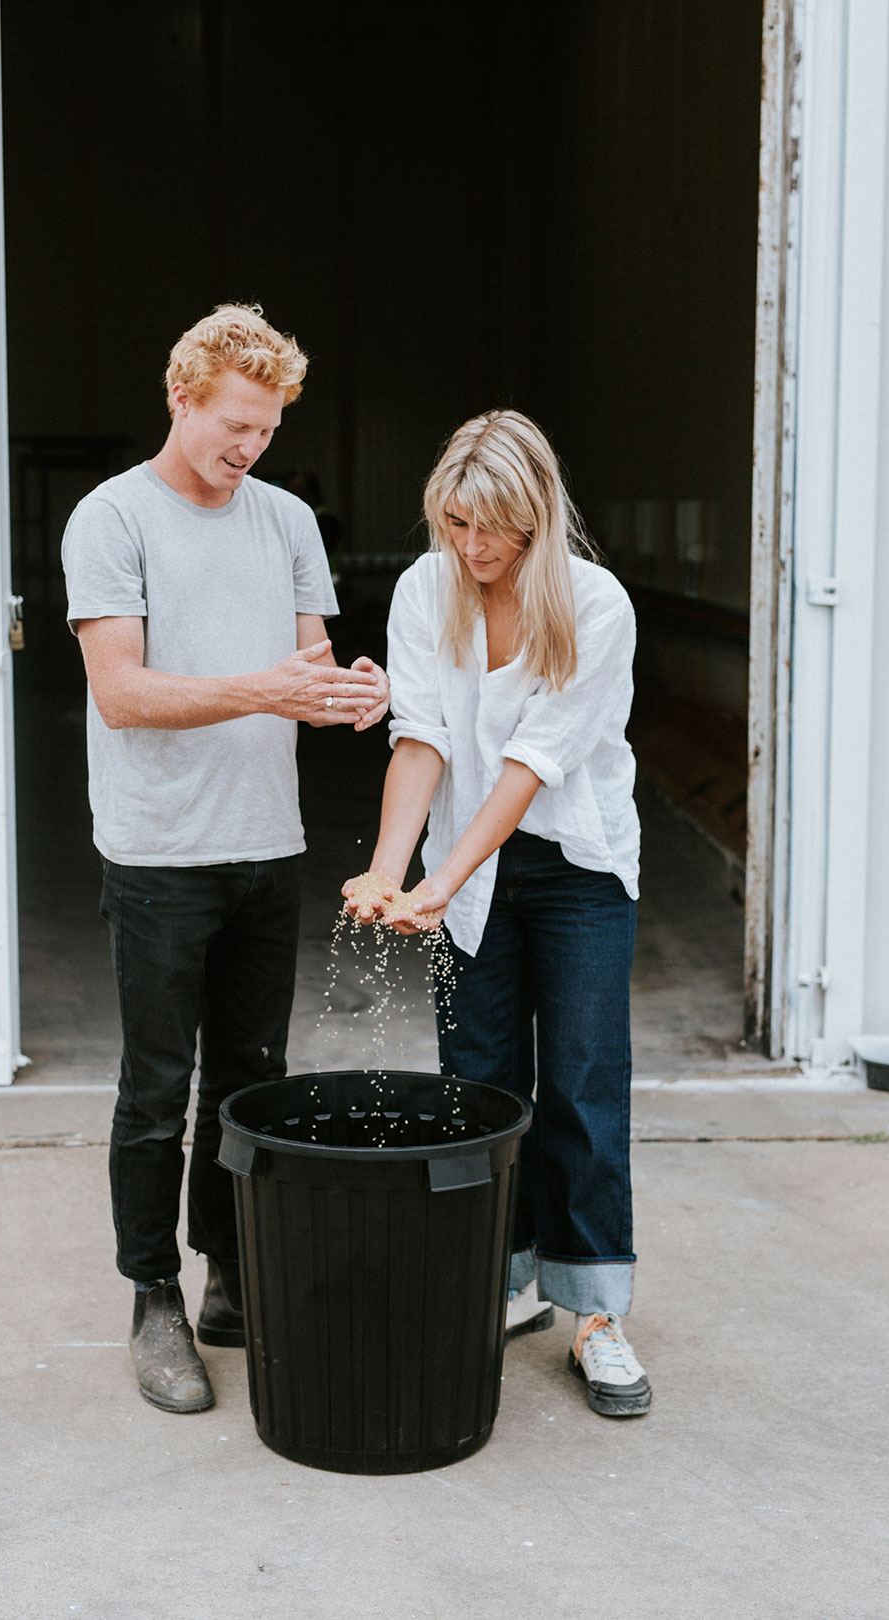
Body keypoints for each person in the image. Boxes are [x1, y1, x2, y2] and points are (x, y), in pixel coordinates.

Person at [62, 304, 389, 1415]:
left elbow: (315, 663)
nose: (247, 448)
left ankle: (231, 1278)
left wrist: (356, 692)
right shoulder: (112, 520)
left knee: (251, 1082)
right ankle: (151, 1297)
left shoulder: (288, 520)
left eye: (265, 429)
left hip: (265, 842)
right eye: (233, 424)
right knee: (157, 1087)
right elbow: (121, 694)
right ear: (181, 396)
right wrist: (268, 686)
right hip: (158, 852)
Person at [342, 409, 650, 1419]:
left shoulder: (595, 605)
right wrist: (390, 872)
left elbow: (531, 767)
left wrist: (442, 876)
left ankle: (597, 1314)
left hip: (577, 868)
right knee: (477, 1083)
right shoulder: (426, 589)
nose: (475, 548)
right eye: (458, 522)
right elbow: (421, 738)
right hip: (462, 870)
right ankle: (504, 1278)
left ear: (538, 514)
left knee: (582, 1085)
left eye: (497, 528)